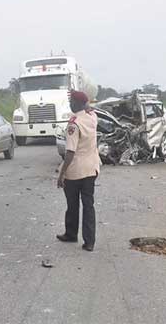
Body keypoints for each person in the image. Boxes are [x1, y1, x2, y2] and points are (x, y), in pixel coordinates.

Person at [57, 90, 101, 251]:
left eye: (72, 102)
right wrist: (86, 104)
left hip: (75, 170)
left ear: (77, 104)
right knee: (88, 205)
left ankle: (71, 233)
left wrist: (61, 174)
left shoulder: (73, 124)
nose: (70, 104)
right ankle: (90, 242)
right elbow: (89, 107)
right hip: (92, 168)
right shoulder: (92, 117)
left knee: (72, 204)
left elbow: (70, 152)